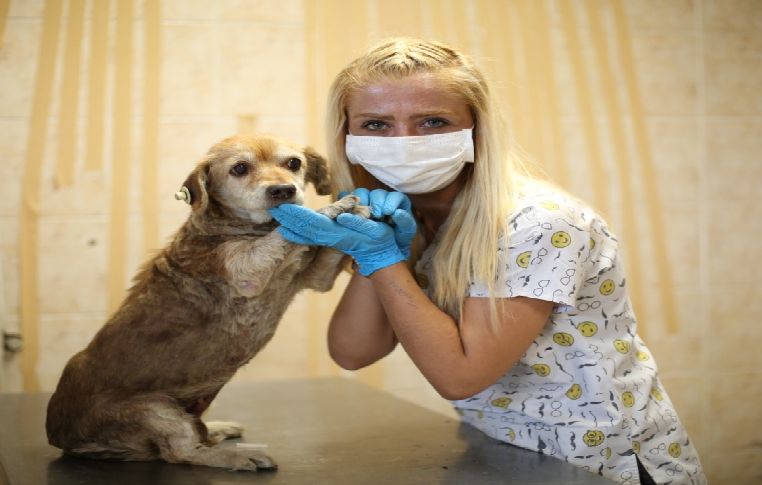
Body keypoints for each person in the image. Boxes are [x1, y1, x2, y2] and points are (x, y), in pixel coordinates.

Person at [269, 38, 706, 485]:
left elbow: (461, 377)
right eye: (376, 124)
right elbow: (353, 351)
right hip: (500, 454)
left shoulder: (540, 224)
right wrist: (379, 246)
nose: (402, 142)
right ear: (348, 137)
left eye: (433, 121)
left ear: (476, 128)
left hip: (601, 465)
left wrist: (379, 257)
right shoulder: (410, 216)